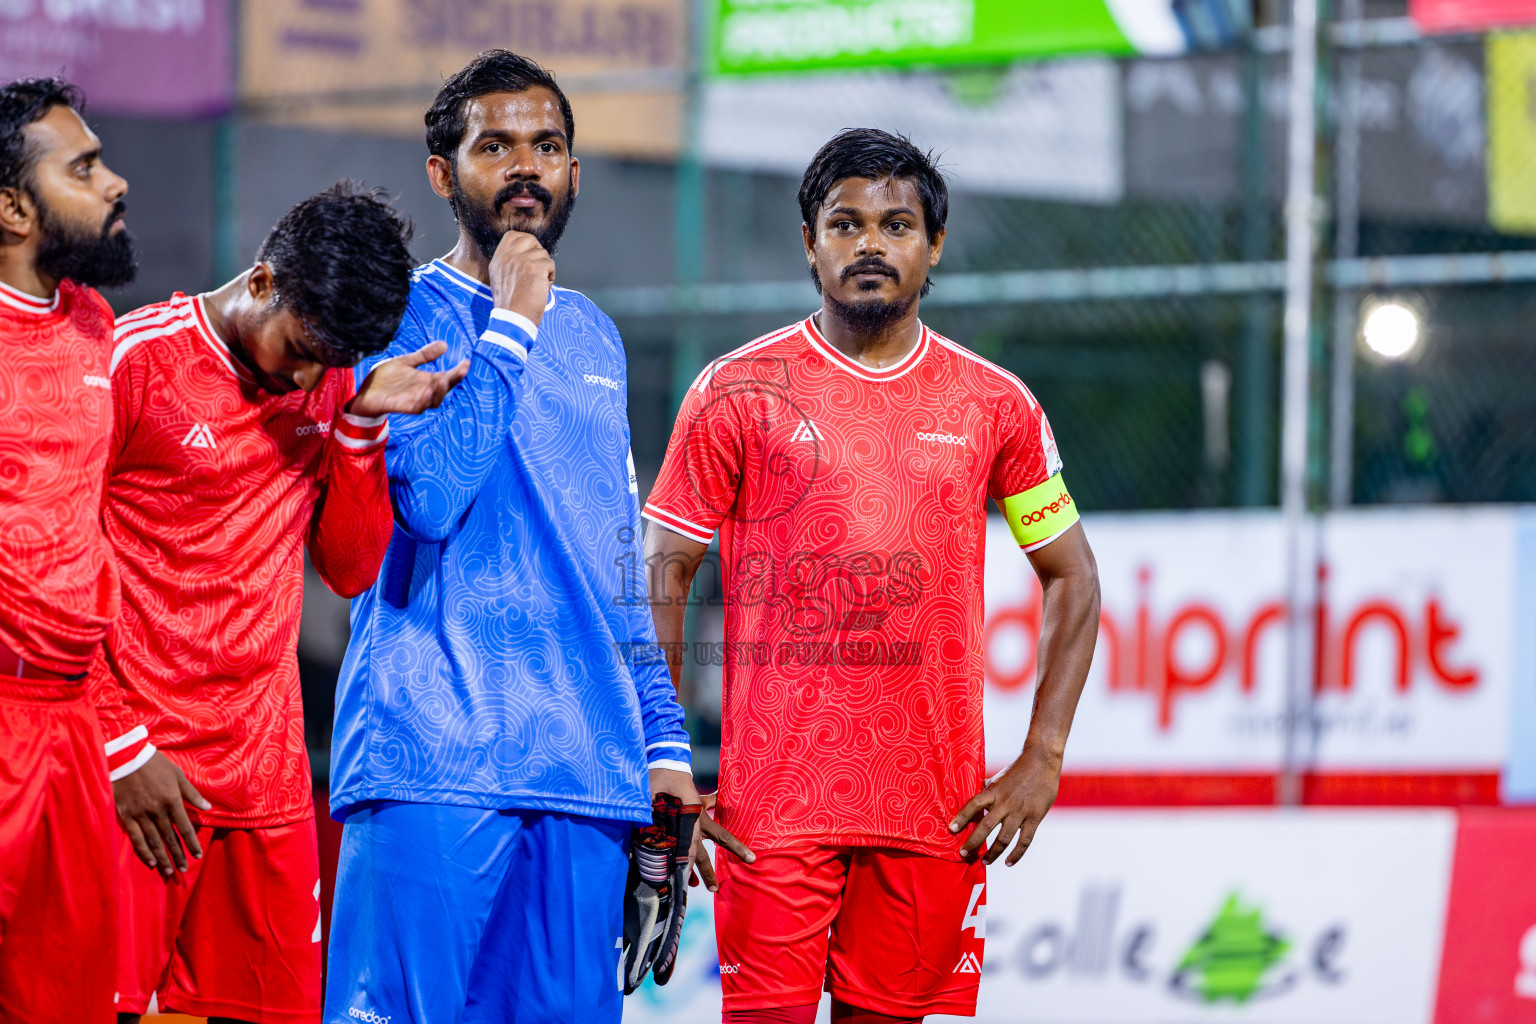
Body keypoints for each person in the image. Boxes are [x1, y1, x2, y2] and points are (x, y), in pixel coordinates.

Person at [643, 128, 1102, 1023]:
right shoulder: (737, 391)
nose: (869, 244)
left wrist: (1044, 754)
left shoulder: (994, 404)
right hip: (768, 810)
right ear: (809, 244)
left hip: (935, 815)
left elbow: (1072, 578)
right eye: (844, 223)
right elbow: (667, 569)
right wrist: (664, 760)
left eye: (896, 225)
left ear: (932, 248)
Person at [323, 50, 741, 1024]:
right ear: (442, 173)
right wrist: (509, 323)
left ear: (574, 175)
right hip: (430, 758)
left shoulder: (593, 335)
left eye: (547, 147)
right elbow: (428, 498)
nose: (525, 166)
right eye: (495, 145)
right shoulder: (393, 312)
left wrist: (665, 745)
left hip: (584, 774)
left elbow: (609, 557)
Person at [91, 182, 467, 1024]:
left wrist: (362, 424)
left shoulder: (330, 385)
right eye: (299, 346)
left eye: (328, 362)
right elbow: (52, 557)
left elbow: (349, 567)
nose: (306, 376)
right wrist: (118, 744)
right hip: (140, 773)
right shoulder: (137, 361)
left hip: (265, 783)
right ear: (262, 281)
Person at [0, 76, 134, 1023]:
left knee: (75, 1001)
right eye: (83, 168)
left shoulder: (96, 323)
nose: (115, 182)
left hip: (75, 724)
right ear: (12, 207)